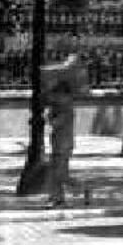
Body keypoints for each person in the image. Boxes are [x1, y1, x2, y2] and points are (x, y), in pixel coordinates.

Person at [41, 56, 83, 207]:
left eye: (57, 94)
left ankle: (84, 189)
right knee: (54, 174)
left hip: (64, 146)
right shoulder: (58, 108)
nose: (54, 97)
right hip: (57, 144)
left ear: (65, 96)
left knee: (61, 175)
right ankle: (57, 199)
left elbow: (56, 123)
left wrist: (47, 117)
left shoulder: (66, 110)